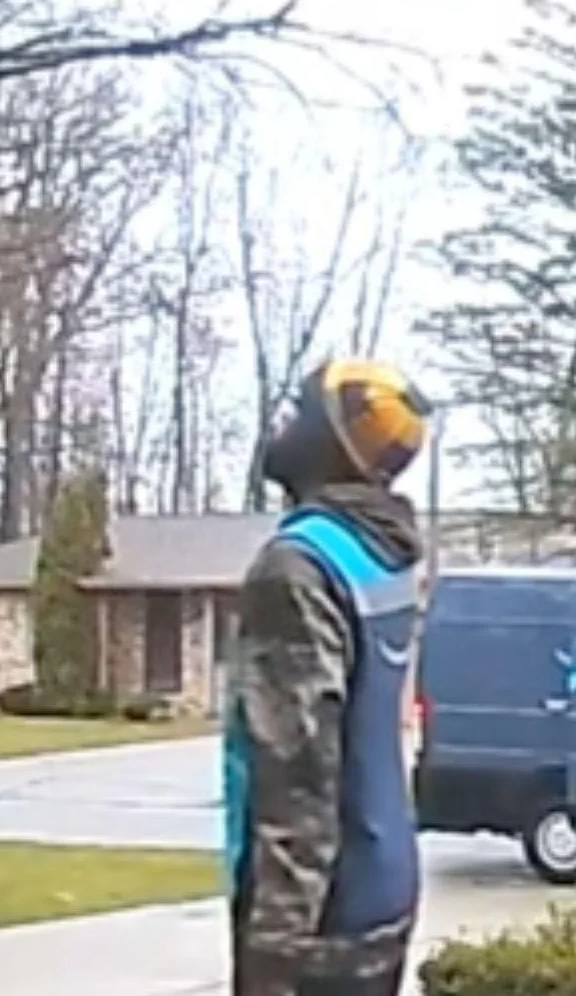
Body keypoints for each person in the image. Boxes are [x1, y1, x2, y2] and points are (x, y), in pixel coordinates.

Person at [222, 358, 433, 996]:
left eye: (301, 413)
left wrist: (275, 950)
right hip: (384, 878)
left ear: (330, 445)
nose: (282, 425)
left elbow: (300, 770)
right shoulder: (384, 554)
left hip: (324, 914)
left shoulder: (297, 568)